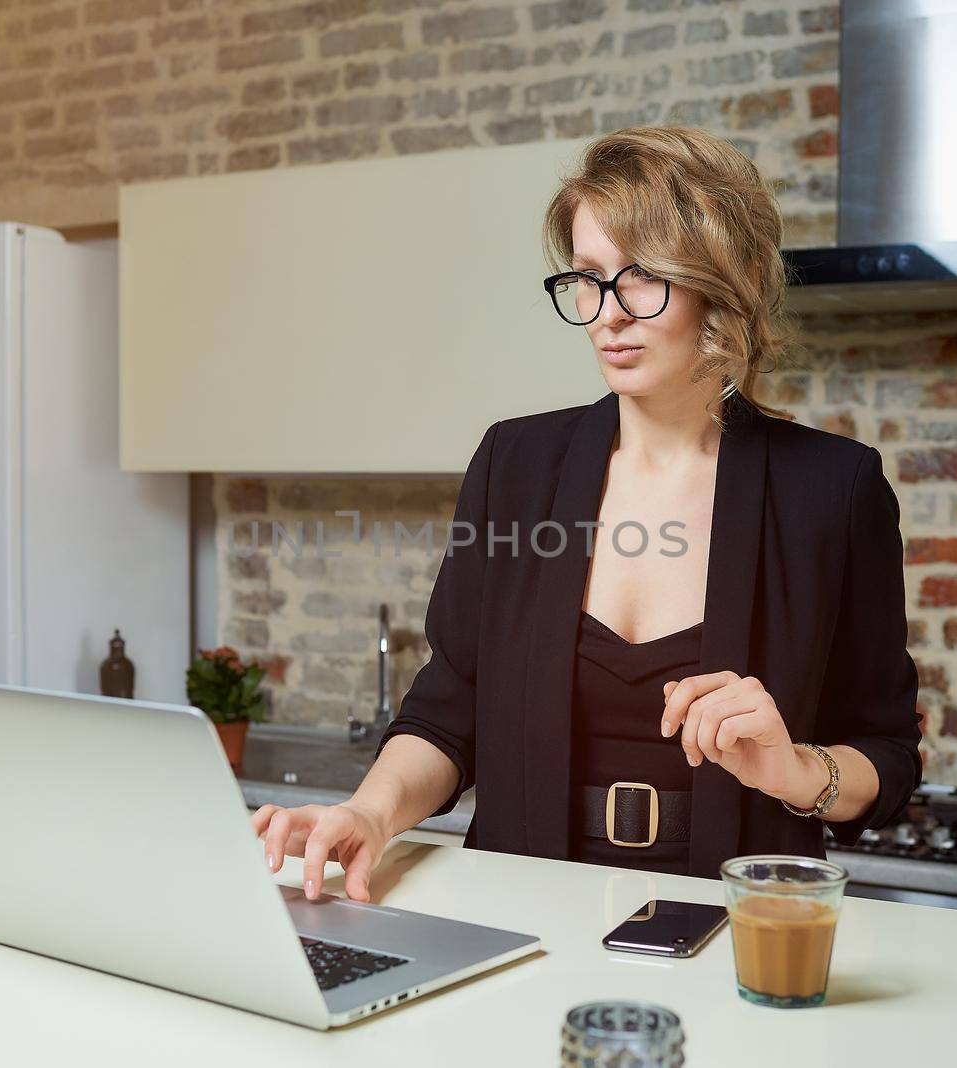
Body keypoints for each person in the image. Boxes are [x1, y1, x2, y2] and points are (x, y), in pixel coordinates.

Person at [252, 125, 922, 903]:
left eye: (641, 278)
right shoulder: (516, 466)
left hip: (736, 923)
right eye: (588, 277)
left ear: (720, 280)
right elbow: (448, 708)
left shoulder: (833, 490)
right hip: (523, 909)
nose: (607, 313)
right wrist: (370, 813)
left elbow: (888, 755)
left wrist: (797, 770)